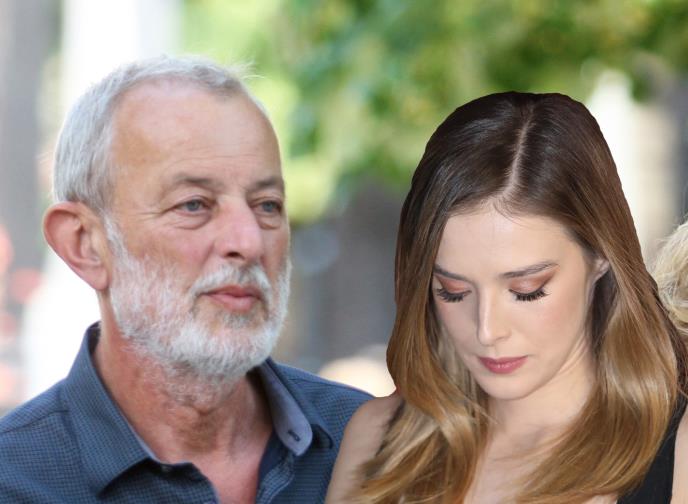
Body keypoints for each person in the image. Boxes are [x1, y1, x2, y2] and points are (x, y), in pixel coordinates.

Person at [0, 55, 371, 504]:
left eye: (267, 205)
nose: (248, 241)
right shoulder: (15, 480)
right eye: (194, 204)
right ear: (85, 244)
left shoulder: (385, 451)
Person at [326, 92, 688, 503]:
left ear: (600, 255)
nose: (487, 330)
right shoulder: (376, 439)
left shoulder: (679, 451)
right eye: (453, 291)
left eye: (526, 291)